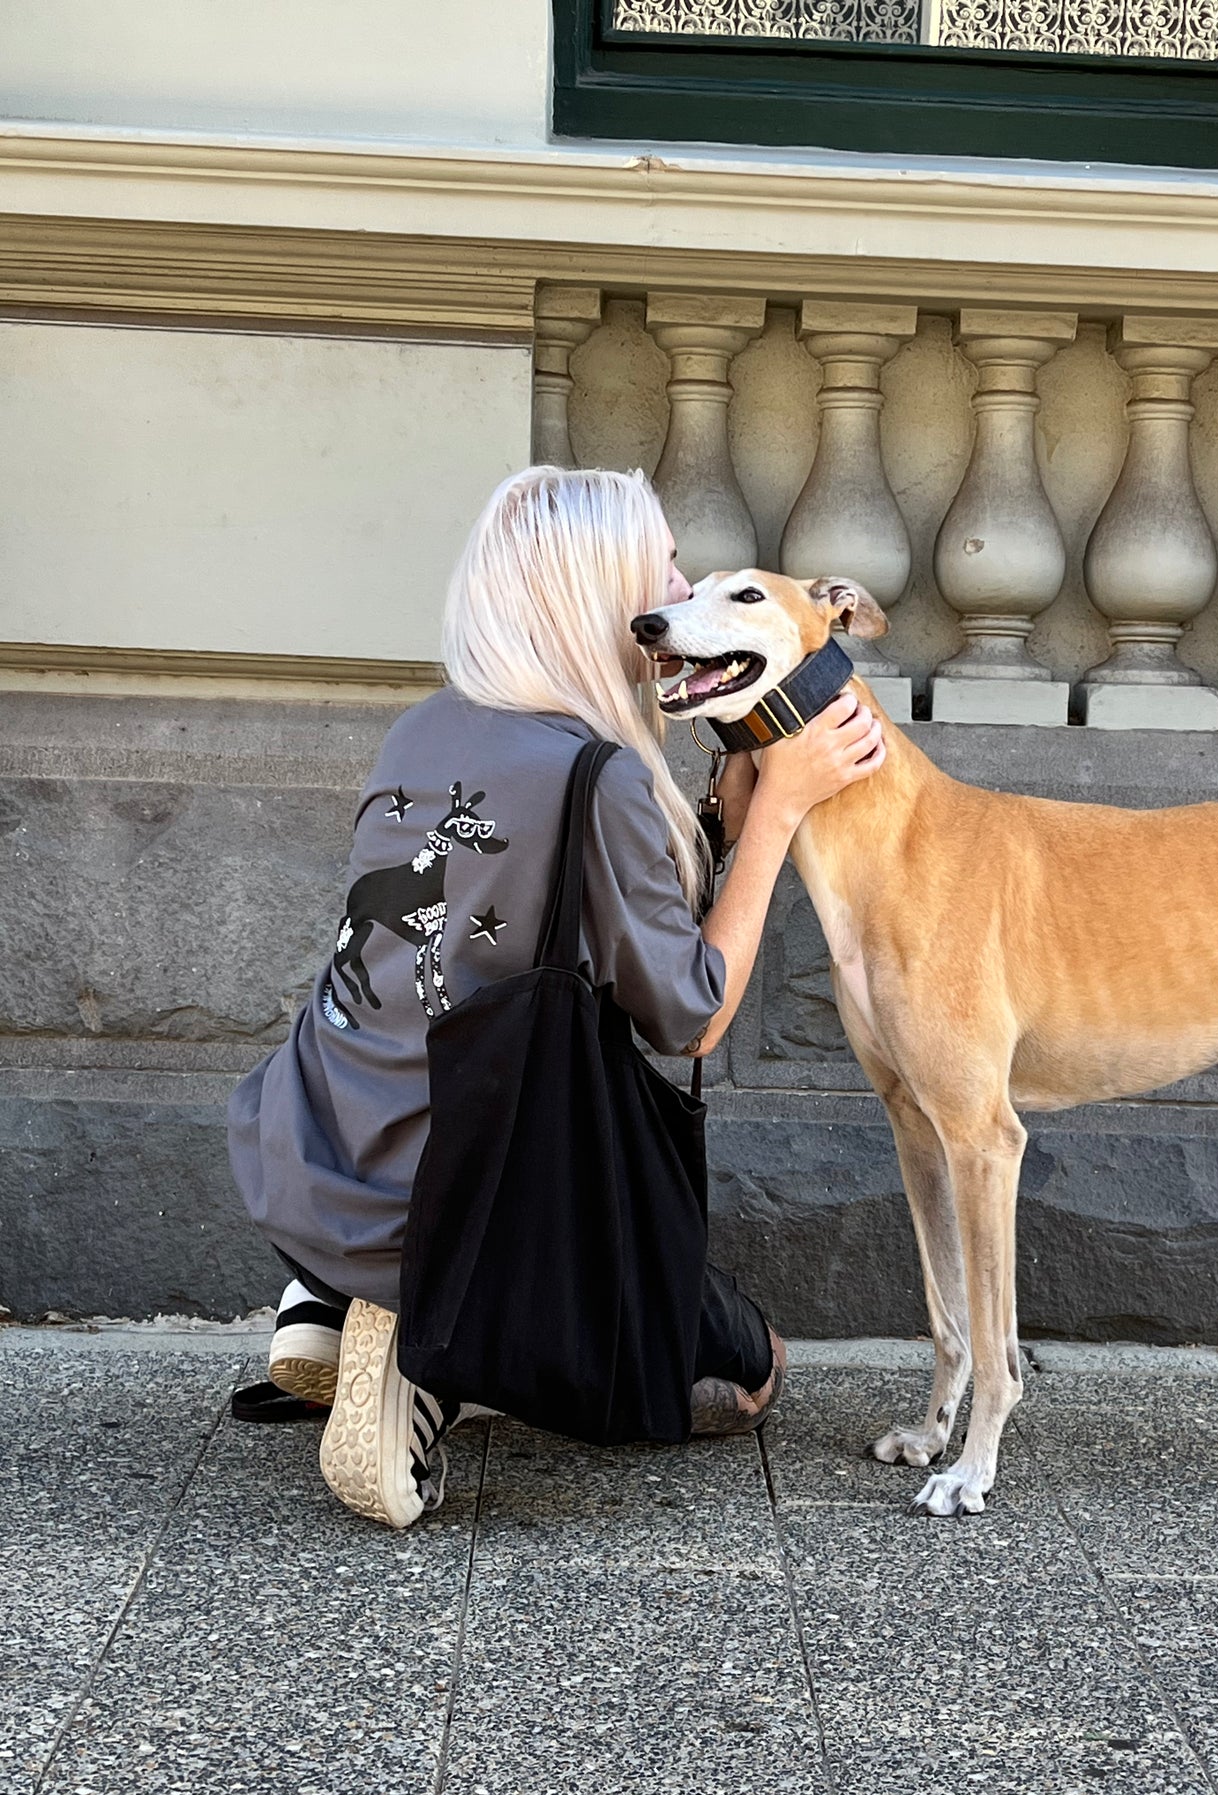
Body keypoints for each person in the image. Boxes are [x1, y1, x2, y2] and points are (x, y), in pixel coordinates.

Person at [227, 464, 885, 1528]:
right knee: (749, 1365)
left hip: (304, 1156)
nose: (675, 593)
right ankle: (430, 1352)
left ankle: (332, 1295)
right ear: (600, 591)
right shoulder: (600, 776)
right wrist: (776, 816)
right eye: (660, 568)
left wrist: (708, 823)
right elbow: (691, 1015)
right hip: (453, 1202)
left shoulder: (424, 728)